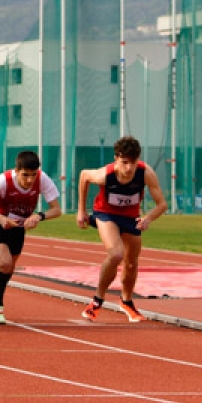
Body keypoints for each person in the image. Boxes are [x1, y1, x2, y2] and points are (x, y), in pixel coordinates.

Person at [76, 136, 168, 322]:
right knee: (116, 253)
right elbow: (84, 175)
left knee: (131, 262)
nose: (128, 168)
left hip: (130, 217)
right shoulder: (106, 174)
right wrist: (81, 210)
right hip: (106, 214)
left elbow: (162, 204)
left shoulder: (146, 173)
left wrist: (148, 218)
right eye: (124, 163)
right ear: (116, 159)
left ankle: (126, 302)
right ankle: (97, 300)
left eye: (132, 163)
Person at [0, 150, 63, 324]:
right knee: (5, 262)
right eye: (25, 175)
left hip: (19, 226)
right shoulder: (3, 181)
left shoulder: (42, 179)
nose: (30, 180)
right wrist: (1, 218)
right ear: (16, 171)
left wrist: (39, 216)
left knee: (9, 268)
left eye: (33, 175)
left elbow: (56, 210)